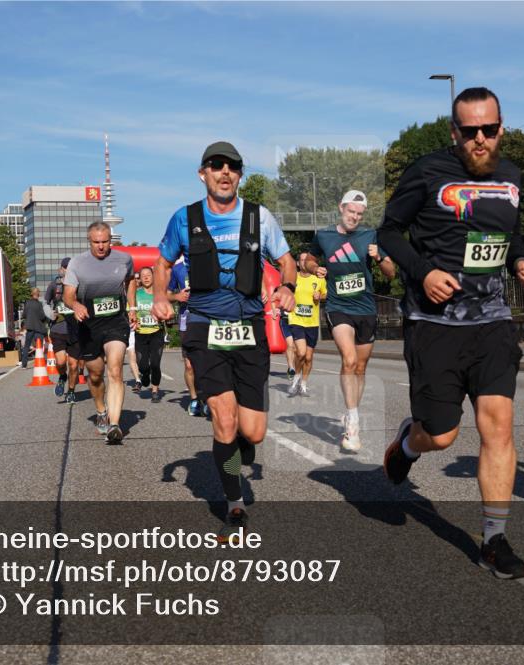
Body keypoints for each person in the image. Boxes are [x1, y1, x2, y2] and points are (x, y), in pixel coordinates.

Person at [378, 87, 524, 579]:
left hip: (492, 320)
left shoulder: (511, 177)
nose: (479, 139)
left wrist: (520, 261)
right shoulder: (427, 171)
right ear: (454, 132)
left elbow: (510, 234)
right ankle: (409, 444)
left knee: (498, 425)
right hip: (434, 324)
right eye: (469, 131)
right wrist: (424, 271)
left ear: (501, 128)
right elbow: (388, 232)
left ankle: (494, 539)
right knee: (442, 435)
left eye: (488, 129)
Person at [152, 141, 296, 542]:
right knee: (224, 419)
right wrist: (161, 296)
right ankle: (235, 503)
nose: (225, 172)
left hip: (249, 325)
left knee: (254, 432)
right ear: (203, 173)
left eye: (232, 166)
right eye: (216, 166)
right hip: (204, 325)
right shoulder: (184, 218)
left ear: (240, 174)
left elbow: (286, 260)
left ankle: (239, 447)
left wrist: (286, 287)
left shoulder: (259, 217)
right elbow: (162, 263)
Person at [303, 190, 396, 451]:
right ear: (341, 208)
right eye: (351, 211)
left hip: (365, 309)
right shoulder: (324, 235)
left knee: (361, 368)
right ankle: (353, 423)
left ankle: (349, 409)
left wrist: (379, 257)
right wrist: (315, 268)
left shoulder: (370, 236)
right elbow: (308, 259)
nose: (354, 217)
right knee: (350, 359)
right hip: (338, 307)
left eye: (359, 214)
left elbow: (391, 273)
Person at [62, 222, 135, 444]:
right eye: (96, 242)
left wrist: (132, 307)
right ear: (89, 241)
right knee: (95, 374)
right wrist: (76, 305)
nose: (101, 246)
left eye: (105, 241)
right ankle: (101, 410)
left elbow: (130, 280)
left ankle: (115, 425)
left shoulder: (124, 259)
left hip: (116, 321)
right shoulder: (77, 263)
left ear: (111, 240)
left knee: (115, 370)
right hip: (88, 323)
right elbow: (68, 295)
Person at [168, 259, 207, 416]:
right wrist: (177, 296)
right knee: (189, 365)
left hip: (208, 318)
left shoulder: (209, 263)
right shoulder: (177, 269)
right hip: (187, 320)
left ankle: (208, 397)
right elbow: (167, 294)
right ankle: (194, 398)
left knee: (208, 362)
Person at [287, 254, 327, 396]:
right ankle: (295, 381)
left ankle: (303, 384)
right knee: (301, 352)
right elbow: (284, 290)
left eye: (307, 260)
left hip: (312, 322)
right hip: (296, 320)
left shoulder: (319, 278)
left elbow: (325, 294)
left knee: (308, 357)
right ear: (298, 263)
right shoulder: (293, 277)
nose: (305, 262)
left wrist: (320, 296)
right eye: (302, 260)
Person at [46, 257, 83, 403]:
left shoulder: (80, 285)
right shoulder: (54, 285)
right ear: (61, 269)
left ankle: (71, 391)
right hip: (58, 329)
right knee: (61, 362)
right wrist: (50, 313)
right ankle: (62, 376)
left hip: (76, 330)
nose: (68, 270)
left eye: (70, 267)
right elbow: (45, 302)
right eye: (66, 267)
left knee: (73, 365)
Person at [128, 267, 167, 403]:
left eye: (148, 275)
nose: (145, 278)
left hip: (156, 333)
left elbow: (168, 312)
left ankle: (155, 391)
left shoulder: (160, 294)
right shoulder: (135, 295)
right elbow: (129, 312)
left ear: (153, 277)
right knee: (143, 366)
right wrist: (133, 320)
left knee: (155, 364)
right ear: (140, 278)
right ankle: (144, 374)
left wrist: (163, 316)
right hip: (141, 334)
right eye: (143, 275)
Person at [20, 288, 48, 369]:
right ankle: (40, 362)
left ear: (31, 294)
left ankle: (24, 365)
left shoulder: (27, 303)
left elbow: (24, 315)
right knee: (39, 346)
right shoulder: (39, 304)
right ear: (38, 294)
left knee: (26, 346)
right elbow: (42, 317)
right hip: (38, 328)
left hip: (29, 327)